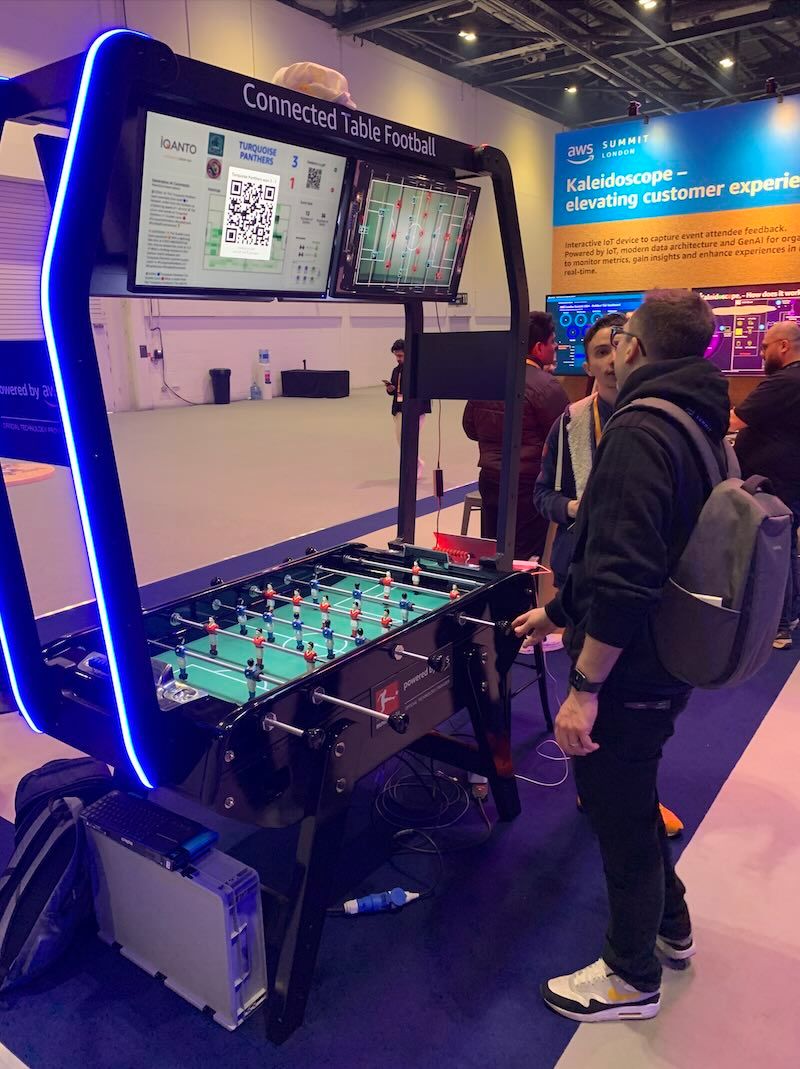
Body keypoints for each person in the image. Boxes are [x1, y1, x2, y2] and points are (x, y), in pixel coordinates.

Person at [513, 290, 729, 1022]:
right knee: (631, 800)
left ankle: (630, 974)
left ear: (635, 346)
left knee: (620, 814)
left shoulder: (640, 430)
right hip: (666, 655)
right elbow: (634, 551)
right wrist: (555, 609)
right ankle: (671, 924)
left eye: (621, 339)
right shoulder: (701, 417)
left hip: (631, 667)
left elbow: (627, 575)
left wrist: (583, 685)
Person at [534, 312, 684, 840]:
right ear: (591, 361)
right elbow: (542, 496)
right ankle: (598, 788)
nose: (609, 361)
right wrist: (577, 508)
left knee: (634, 709)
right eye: (598, 352)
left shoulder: (660, 420)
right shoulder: (572, 421)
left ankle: (632, 794)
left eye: (615, 349)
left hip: (642, 585)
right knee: (589, 694)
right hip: (584, 578)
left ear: (632, 353)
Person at [463, 311, 568, 560]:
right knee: (525, 557)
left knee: (493, 550)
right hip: (527, 486)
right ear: (539, 347)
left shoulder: (488, 379)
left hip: (490, 480)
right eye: (553, 342)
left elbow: (470, 428)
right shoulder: (546, 386)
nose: (556, 348)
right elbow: (563, 438)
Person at [730, 321, 800, 650]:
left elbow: (734, 420)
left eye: (765, 346)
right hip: (788, 480)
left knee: (775, 550)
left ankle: (780, 626)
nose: (761, 353)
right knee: (787, 549)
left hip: (775, 484)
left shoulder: (785, 381)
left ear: (783, 346)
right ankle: (790, 614)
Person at [384, 339, 431, 479]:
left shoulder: (418, 370)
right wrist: (390, 389)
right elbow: (395, 390)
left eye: (400, 356)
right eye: (396, 356)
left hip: (416, 411)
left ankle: (415, 466)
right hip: (399, 409)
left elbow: (422, 390)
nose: (398, 359)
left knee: (409, 439)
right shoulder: (396, 370)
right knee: (401, 440)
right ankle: (416, 462)